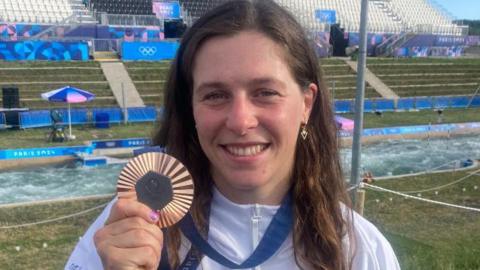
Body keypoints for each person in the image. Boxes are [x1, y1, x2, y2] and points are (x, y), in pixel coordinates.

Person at [66, 1, 400, 269]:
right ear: (191, 108)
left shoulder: (360, 249)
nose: (240, 121)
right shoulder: (125, 230)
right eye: (215, 95)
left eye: (265, 92)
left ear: (306, 104)